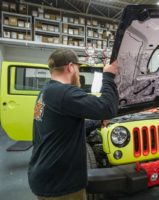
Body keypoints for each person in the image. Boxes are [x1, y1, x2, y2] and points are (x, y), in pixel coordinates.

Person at [28, 48, 119, 200]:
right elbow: (107, 108)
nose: (78, 73)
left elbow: (64, 127)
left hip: (46, 175)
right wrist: (108, 76)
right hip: (61, 185)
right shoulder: (64, 93)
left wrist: (97, 122)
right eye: (78, 68)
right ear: (70, 67)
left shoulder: (47, 91)